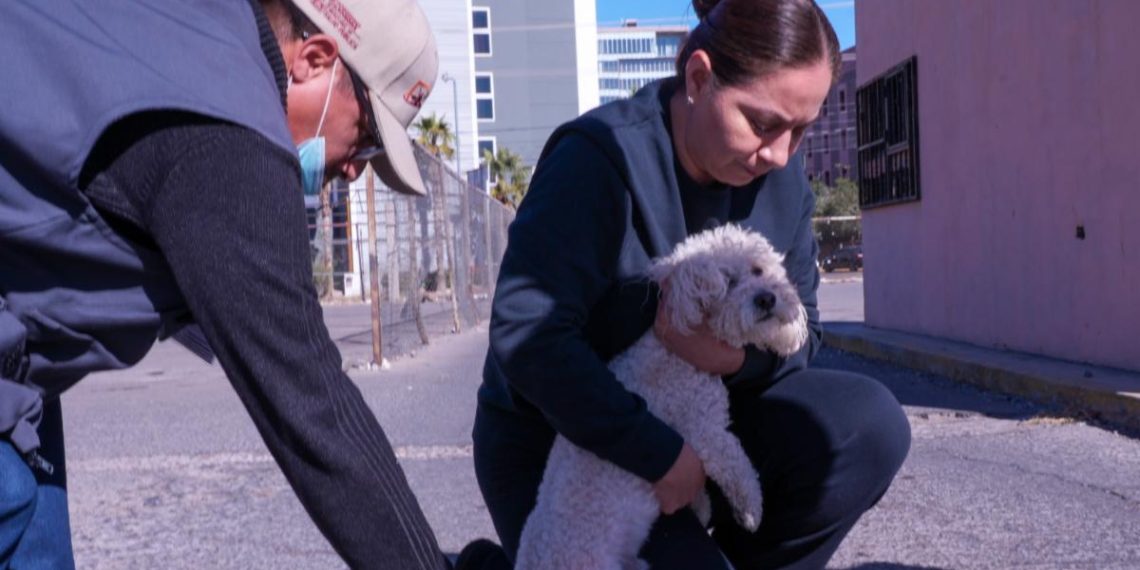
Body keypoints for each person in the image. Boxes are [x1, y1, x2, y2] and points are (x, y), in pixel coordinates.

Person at [0, 1, 497, 568]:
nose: (355, 169)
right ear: (314, 59)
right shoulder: (227, 131)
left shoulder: (190, 36)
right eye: (365, 139)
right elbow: (312, 409)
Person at [473, 0, 912, 568]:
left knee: (869, 426)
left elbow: (806, 334)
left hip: (705, 419)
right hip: (568, 444)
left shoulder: (783, 182)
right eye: (762, 124)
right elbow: (527, 337)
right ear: (700, 78)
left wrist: (726, 361)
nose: (780, 154)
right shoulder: (598, 160)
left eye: (801, 130)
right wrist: (656, 452)